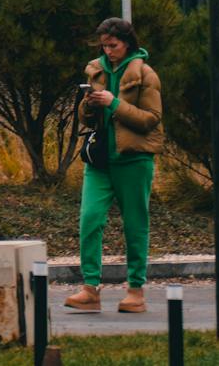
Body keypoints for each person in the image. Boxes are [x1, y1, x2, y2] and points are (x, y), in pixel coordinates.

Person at [65, 16, 163, 314]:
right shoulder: (95, 70)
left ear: (128, 43)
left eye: (114, 45)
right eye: (104, 45)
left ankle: (135, 290)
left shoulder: (146, 75)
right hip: (100, 160)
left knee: (135, 224)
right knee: (90, 218)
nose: (108, 51)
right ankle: (89, 289)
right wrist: (88, 104)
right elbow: (85, 119)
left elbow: (151, 119)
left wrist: (114, 104)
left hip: (133, 160)